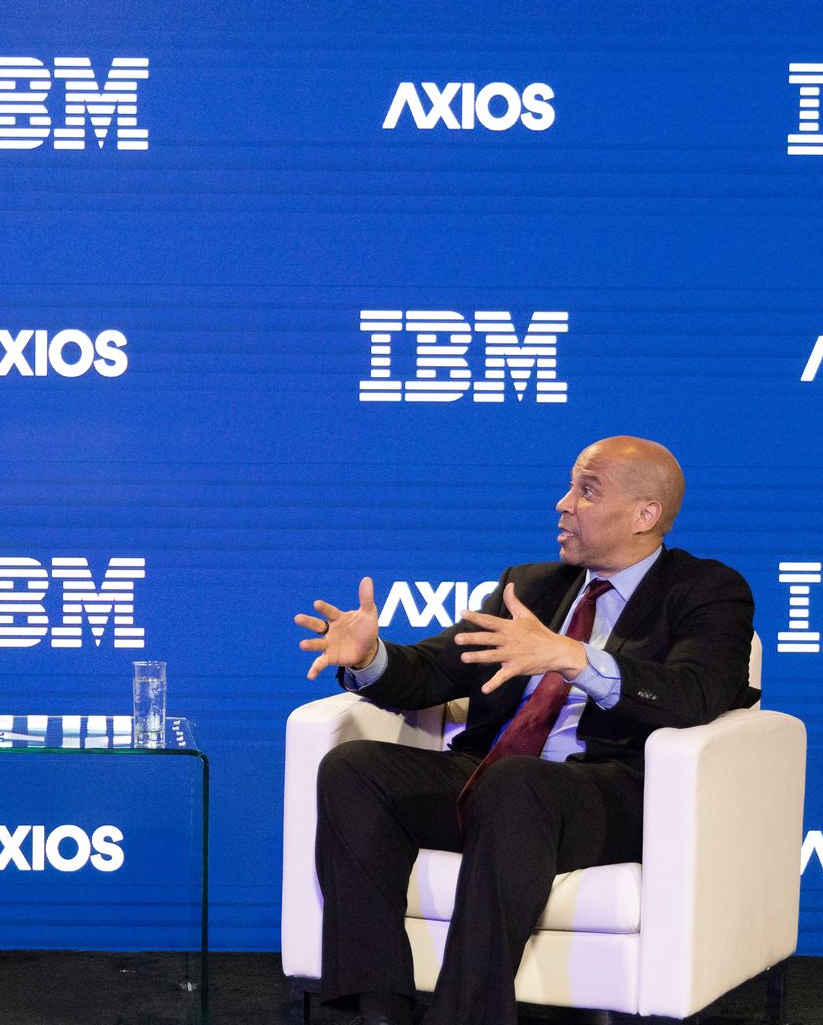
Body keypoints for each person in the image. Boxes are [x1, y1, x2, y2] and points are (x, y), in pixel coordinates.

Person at [295, 436, 756, 1025]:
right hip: (493, 782)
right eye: (568, 488)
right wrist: (369, 658)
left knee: (518, 784)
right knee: (355, 768)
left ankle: (466, 1016)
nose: (563, 504)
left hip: (609, 795)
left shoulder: (707, 591)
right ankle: (379, 1006)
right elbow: (436, 670)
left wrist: (573, 658)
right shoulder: (533, 585)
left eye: (586, 491)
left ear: (645, 515)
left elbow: (695, 694)